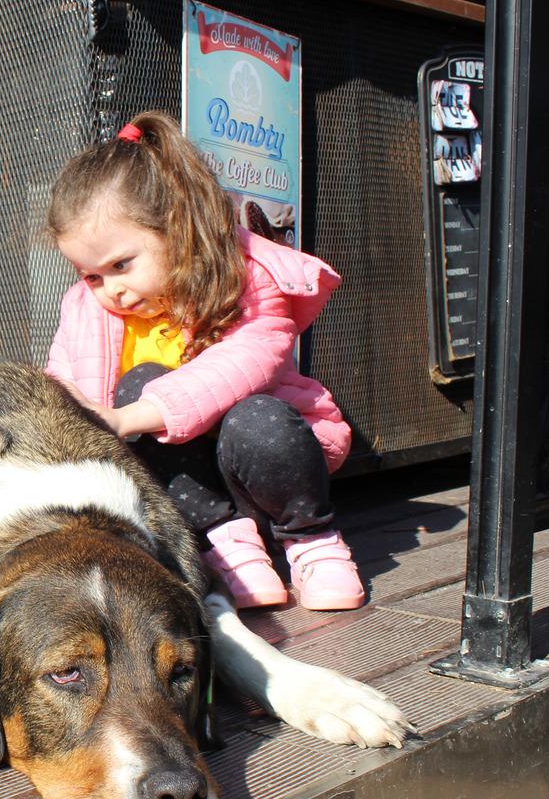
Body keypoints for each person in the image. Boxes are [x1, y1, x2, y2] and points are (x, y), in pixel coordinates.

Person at [44, 110, 364, 611]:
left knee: (254, 416)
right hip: (196, 498)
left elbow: (238, 368)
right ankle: (228, 546)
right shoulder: (83, 312)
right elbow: (64, 384)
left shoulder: (248, 281)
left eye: (122, 265)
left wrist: (127, 418)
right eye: (92, 276)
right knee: (139, 382)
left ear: (179, 228)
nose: (113, 291)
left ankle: (312, 542)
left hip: (271, 474)